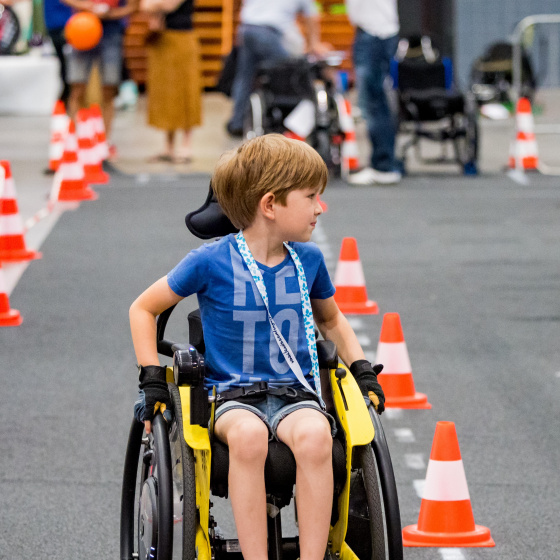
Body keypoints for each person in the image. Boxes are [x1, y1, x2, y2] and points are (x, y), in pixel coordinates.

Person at [129, 134, 385, 560]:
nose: (320, 207)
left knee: (318, 436)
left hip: (295, 393)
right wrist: (152, 377)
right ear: (270, 205)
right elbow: (143, 309)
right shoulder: (209, 261)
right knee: (247, 438)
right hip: (232, 396)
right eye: (311, 197)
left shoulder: (308, 261)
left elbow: (332, 318)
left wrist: (360, 369)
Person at [226, 0, 330, 137]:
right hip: (270, 32)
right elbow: (311, 16)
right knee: (289, 74)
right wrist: (313, 43)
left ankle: (238, 123)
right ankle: (286, 122)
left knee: (245, 78)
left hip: (247, 29)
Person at [61, 0, 137, 158]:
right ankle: (74, 140)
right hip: (81, 29)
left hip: (111, 33)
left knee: (109, 89)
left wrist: (110, 13)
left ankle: (105, 140)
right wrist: (87, 7)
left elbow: (133, 6)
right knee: (77, 88)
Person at [345, 0, 402, 185]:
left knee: (374, 102)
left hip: (374, 33)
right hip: (374, 32)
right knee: (375, 100)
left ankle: (383, 165)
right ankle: (384, 162)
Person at [139, 0, 201, 163]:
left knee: (186, 91)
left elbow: (167, 5)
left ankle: (186, 145)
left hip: (182, 38)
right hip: (163, 39)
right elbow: (144, 5)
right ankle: (168, 146)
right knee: (166, 92)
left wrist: (154, 5)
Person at [43, 0, 73, 104]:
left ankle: (66, 95)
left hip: (68, 24)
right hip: (56, 24)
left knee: (67, 64)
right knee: (64, 64)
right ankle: (65, 96)